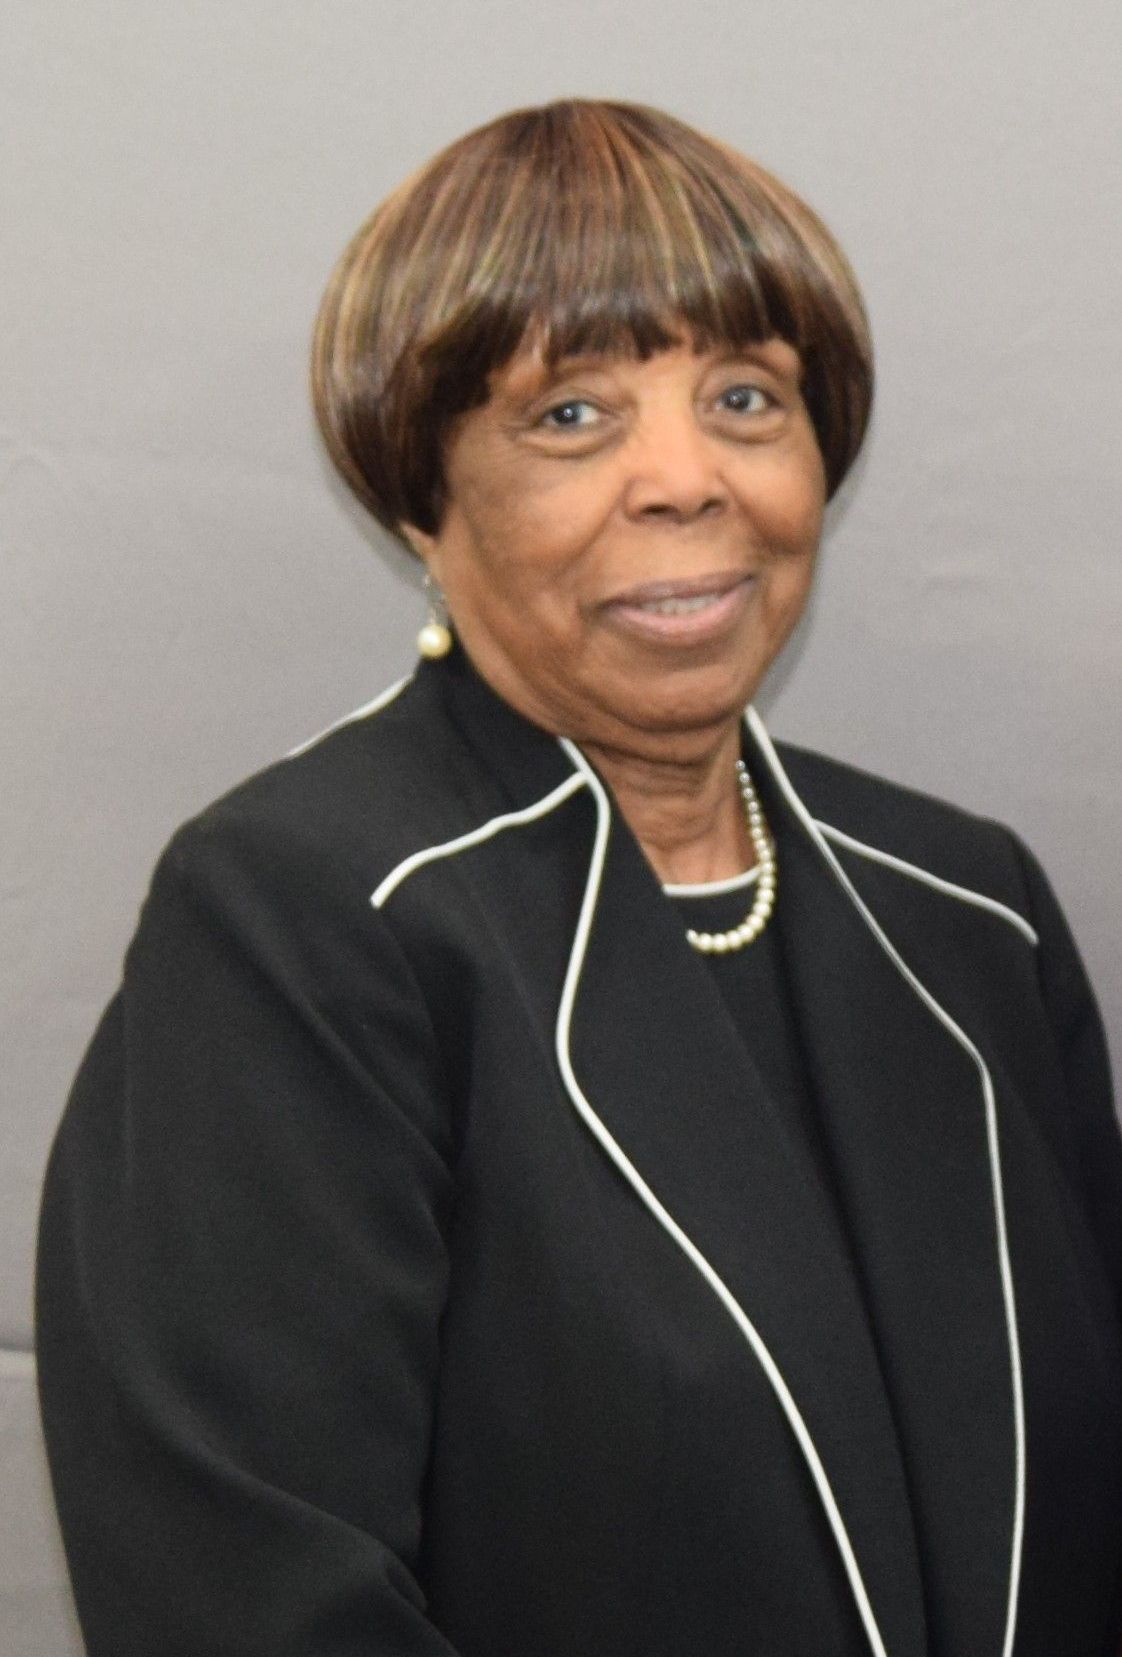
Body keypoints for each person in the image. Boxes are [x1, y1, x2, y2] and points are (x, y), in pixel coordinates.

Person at [35, 99, 1122, 1657]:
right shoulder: (301, 919)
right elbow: (252, 1605)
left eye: (744, 397)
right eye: (569, 415)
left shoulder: (965, 910)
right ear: (420, 495)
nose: (684, 478)